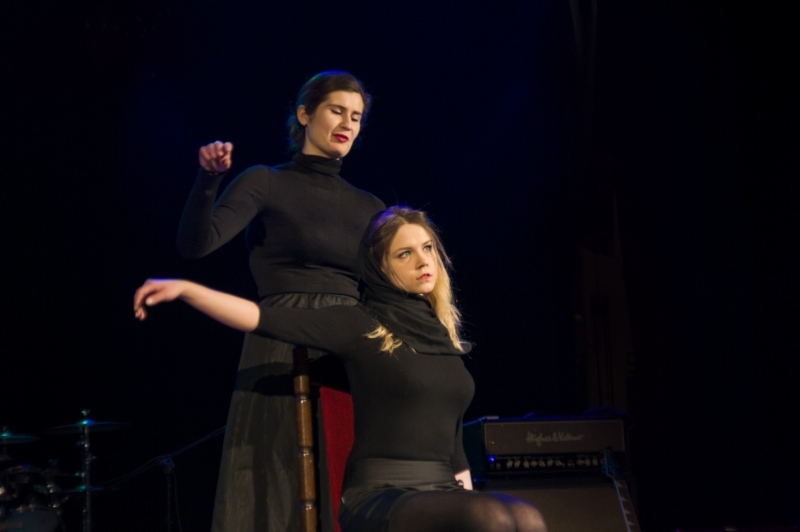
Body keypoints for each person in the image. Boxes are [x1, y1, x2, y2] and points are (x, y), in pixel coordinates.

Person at [135, 207, 547, 532]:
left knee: (527, 518)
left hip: (441, 488)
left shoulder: (442, 334)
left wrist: (465, 493)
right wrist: (188, 290)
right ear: (381, 266)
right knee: (490, 517)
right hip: (380, 493)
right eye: (405, 253)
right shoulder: (360, 323)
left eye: (427, 248)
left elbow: (453, 439)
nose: (423, 261)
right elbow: (262, 318)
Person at [176, 71, 385, 531]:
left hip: (349, 347)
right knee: (278, 479)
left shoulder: (370, 206)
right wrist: (208, 179)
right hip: (281, 341)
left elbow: (385, 290)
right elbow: (195, 245)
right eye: (336, 111)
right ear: (304, 114)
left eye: (356, 117)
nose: (347, 123)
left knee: (347, 477)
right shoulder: (266, 181)